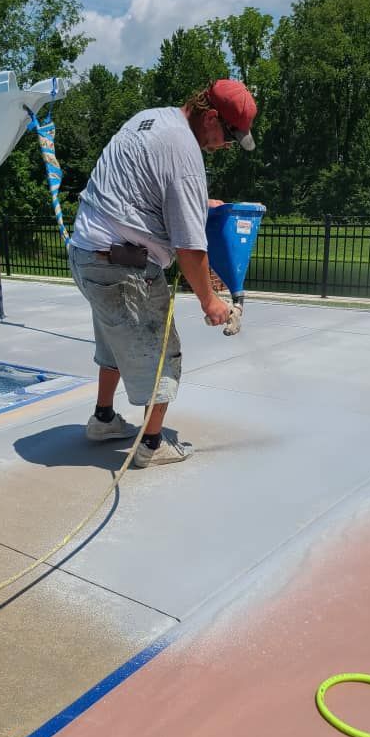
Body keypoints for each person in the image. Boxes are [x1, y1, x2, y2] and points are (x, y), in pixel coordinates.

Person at [68, 79, 257, 468]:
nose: (226, 145)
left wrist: (197, 201)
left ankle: (104, 419)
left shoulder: (152, 119)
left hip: (87, 255)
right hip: (124, 269)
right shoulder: (186, 154)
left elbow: (142, 187)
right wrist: (210, 301)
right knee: (163, 354)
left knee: (114, 339)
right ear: (209, 117)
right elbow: (190, 247)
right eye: (229, 135)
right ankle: (151, 445)